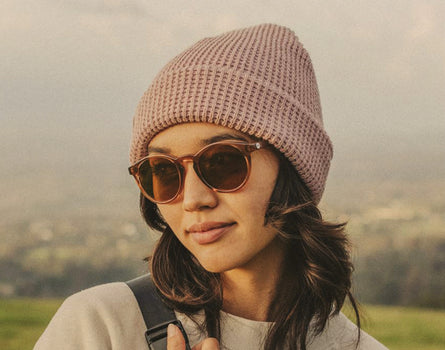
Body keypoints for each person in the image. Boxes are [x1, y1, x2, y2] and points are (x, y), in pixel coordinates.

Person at [34, 23, 387, 350]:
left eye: (222, 161)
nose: (193, 199)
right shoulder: (100, 328)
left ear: (293, 164)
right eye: (163, 171)